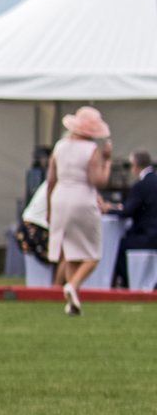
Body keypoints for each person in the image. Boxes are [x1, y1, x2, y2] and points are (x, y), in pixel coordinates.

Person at [47, 106, 112, 315]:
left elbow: (51, 180)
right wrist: (107, 161)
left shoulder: (60, 146)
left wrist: (49, 208)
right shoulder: (91, 150)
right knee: (92, 255)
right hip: (82, 199)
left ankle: (72, 302)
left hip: (60, 198)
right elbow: (98, 181)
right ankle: (72, 286)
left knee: (72, 253)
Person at [116, 150, 156, 287]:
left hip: (146, 237)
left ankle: (128, 282)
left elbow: (127, 211)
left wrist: (109, 209)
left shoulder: (140, 186)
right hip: (152, 236)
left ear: (135, 166)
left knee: (117, 248)